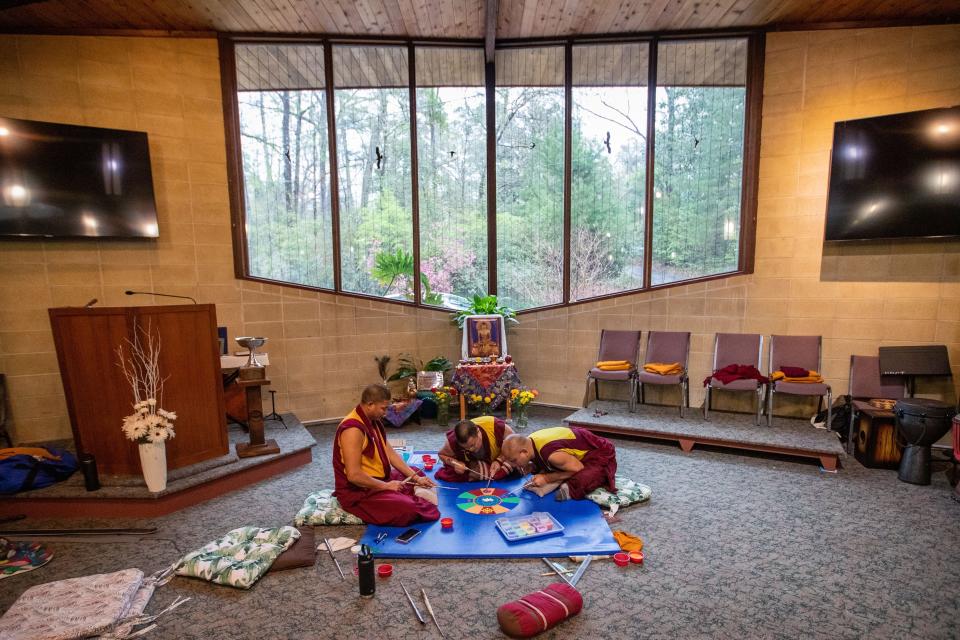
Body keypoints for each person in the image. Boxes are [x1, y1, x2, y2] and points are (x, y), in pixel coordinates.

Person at [333, 383, 440, 526]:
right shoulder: (352, 430)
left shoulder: (373, 421)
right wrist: (386, 486)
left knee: (414, 471)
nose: (385, 413)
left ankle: (402, 492)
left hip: (380, 478)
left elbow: (390, 453)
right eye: (383, 408)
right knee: (408, 509)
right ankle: (403, 497)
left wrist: (416, 478)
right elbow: (354, 476)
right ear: (370, 404)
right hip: (360, 490)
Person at [500, 426, 617, 501]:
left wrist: (547, 478)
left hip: (599, 451)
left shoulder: (553, 456)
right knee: (547, 468)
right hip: (574, 443)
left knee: (583, 479)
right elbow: (540, 460)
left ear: (524, 452)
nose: (513, 465)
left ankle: (568, 488)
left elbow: (578, 468)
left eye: (513, 460)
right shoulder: (529, 441)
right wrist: (531, 467)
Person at [435, 416, 517, 482]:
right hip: (473, 463)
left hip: (498, 457)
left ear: (478, 432)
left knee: (516, 459)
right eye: (465, 448)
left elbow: (515, 443)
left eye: (472, 445)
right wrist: (455, 463)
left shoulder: (495, 426)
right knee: (457, 472)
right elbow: (441, 454)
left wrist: (499, 460)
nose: (470, 450)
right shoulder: (454, 440)